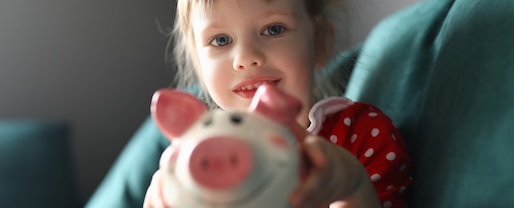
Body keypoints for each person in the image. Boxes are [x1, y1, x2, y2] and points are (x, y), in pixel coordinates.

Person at [144, 0, 412, 207]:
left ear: (319, 42)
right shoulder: (192, 165)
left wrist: (353, 186)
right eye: (220, 40)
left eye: (273, 29)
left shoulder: (361, 134)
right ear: (199, 65)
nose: (246, 57)